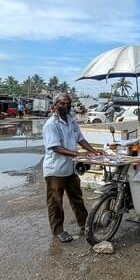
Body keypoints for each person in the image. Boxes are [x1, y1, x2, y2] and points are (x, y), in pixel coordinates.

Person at [43, 93, 103, 243]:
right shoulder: (51, 124)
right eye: (63, 103)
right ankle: (58, 230)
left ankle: (85, 224)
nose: (66, 106)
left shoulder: (71, 120)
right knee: (55, 201)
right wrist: (77, 153)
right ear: (56, 105)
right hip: (55, 170)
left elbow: (80, 138)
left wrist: (92, 151)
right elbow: (56, 147)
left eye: (68, 103)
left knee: (77, 197)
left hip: (70, 168)